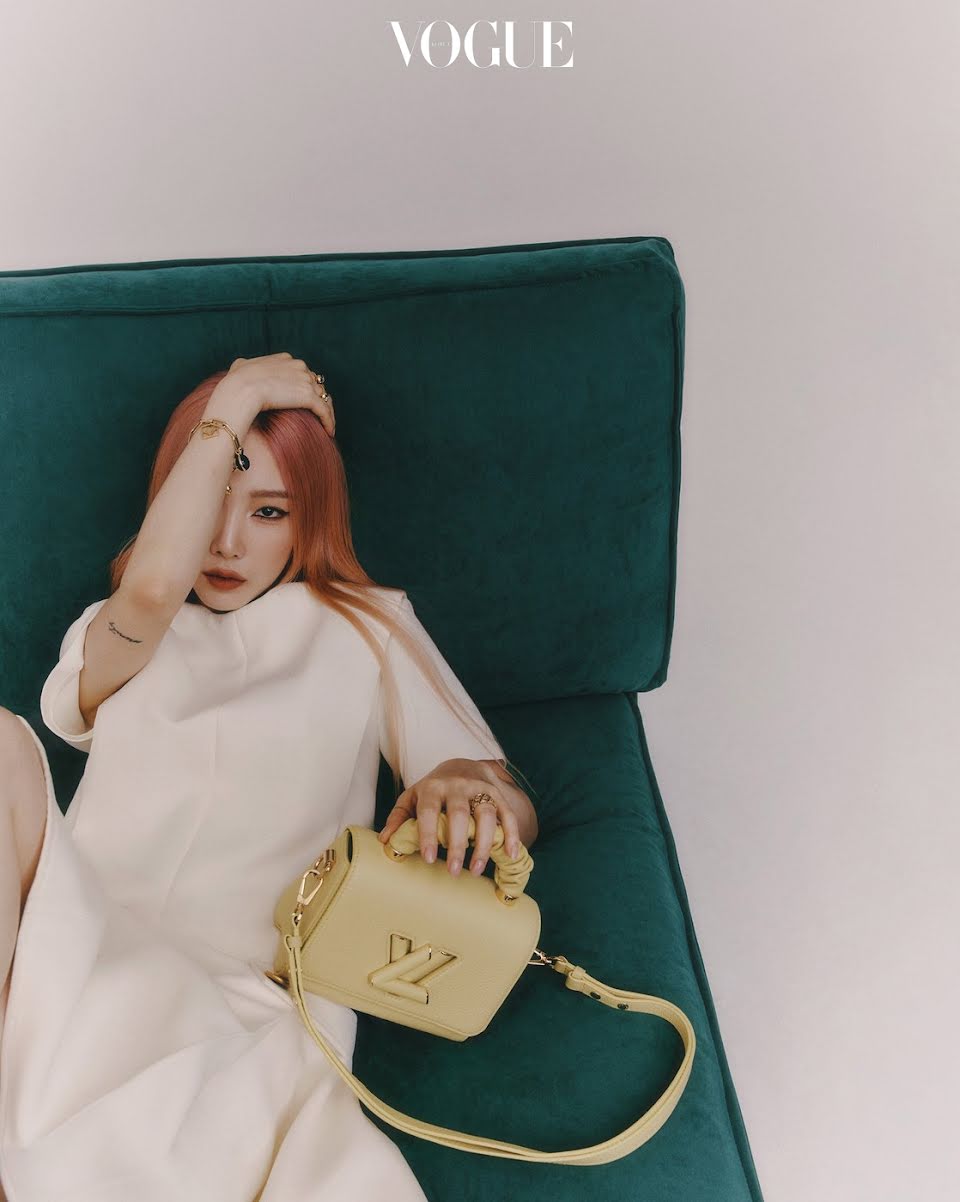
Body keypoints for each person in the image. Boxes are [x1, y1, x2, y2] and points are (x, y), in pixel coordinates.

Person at [0, 352, 539, 1202]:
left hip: (242, 992)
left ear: (307, 519)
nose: (226, 542)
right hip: (76, 945)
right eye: (210, 497)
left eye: (269, 511)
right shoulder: (122, 630)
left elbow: (504, 797)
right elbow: (151, 590)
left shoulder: (367, 627)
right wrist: (241, 392)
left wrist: (468, 789)